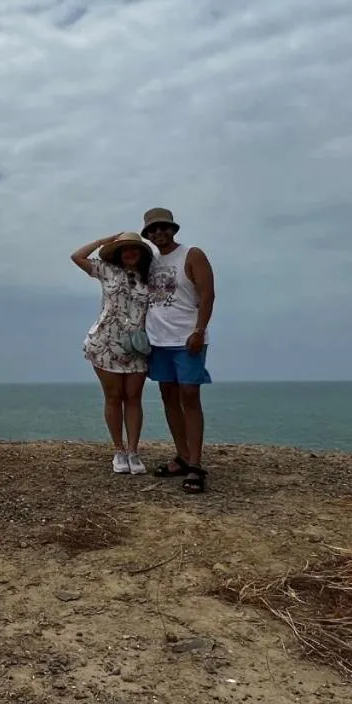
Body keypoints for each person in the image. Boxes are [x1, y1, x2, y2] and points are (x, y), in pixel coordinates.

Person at [141, 207, 215, 493]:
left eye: (163, 228)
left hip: (187, 339)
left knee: (189, 395)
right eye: (153, 230)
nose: (159, 233)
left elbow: (207, 295)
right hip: (158, 340)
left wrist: (199, 330)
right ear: (148, 235)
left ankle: (196, 463)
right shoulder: (150, 262)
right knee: (168, 396)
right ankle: (182, 456)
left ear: (173, 230)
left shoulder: (192, 255)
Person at [71, 231, 154, 475]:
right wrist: (104, 241)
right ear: (118, 252)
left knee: (133, 397)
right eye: (124, 248)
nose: (129, 252)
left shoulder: (149, 278)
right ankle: (119, 450)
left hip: (137, 345)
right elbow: (77, 256)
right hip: (105, 342)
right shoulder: (106, 270)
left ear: (141, 254)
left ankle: (134, 451)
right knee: (113, 396)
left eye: (134, 249)